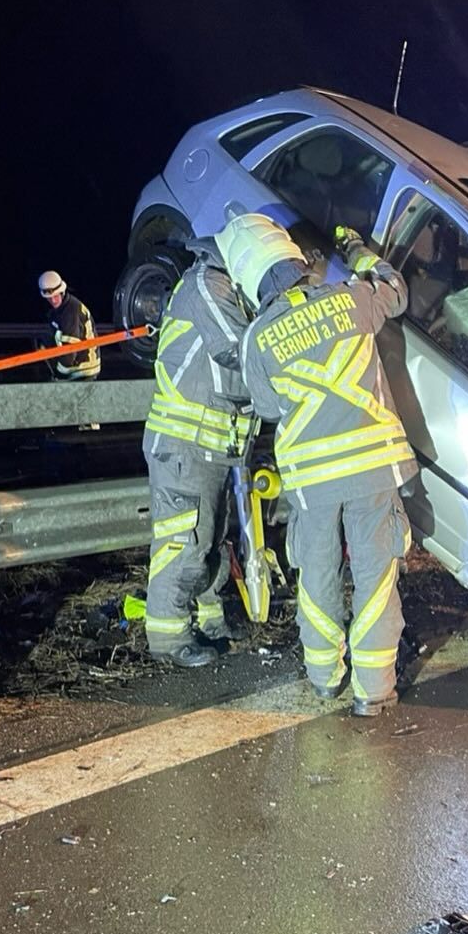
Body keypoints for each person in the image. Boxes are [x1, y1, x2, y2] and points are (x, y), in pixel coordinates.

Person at [220, 213, 414, 715]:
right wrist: (355, 248)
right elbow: (395, 288)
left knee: (318, 574)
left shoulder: (257, 337)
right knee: (374, 575)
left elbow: (264, 407)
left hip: (312, 482)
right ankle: (373, 691)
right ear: (296, 261)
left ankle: (325, 677)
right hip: (372, 466)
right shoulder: (352, 297)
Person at [142, 238, 253, 667]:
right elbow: (238, 352)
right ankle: (169, 639)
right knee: (183, 540)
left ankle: (209, 620)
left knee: (210, 539)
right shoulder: (207, 285)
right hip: (185, 446)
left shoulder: (227, 290)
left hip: (214, 446)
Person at [38, 270, 100, 380]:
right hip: (76, 368)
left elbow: (70, 352)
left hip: (83, 370)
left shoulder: (71, 311)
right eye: (49, 298)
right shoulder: (58, 311)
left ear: (62, 292)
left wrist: (58, 375)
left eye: (56, 296)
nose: (53, 300)